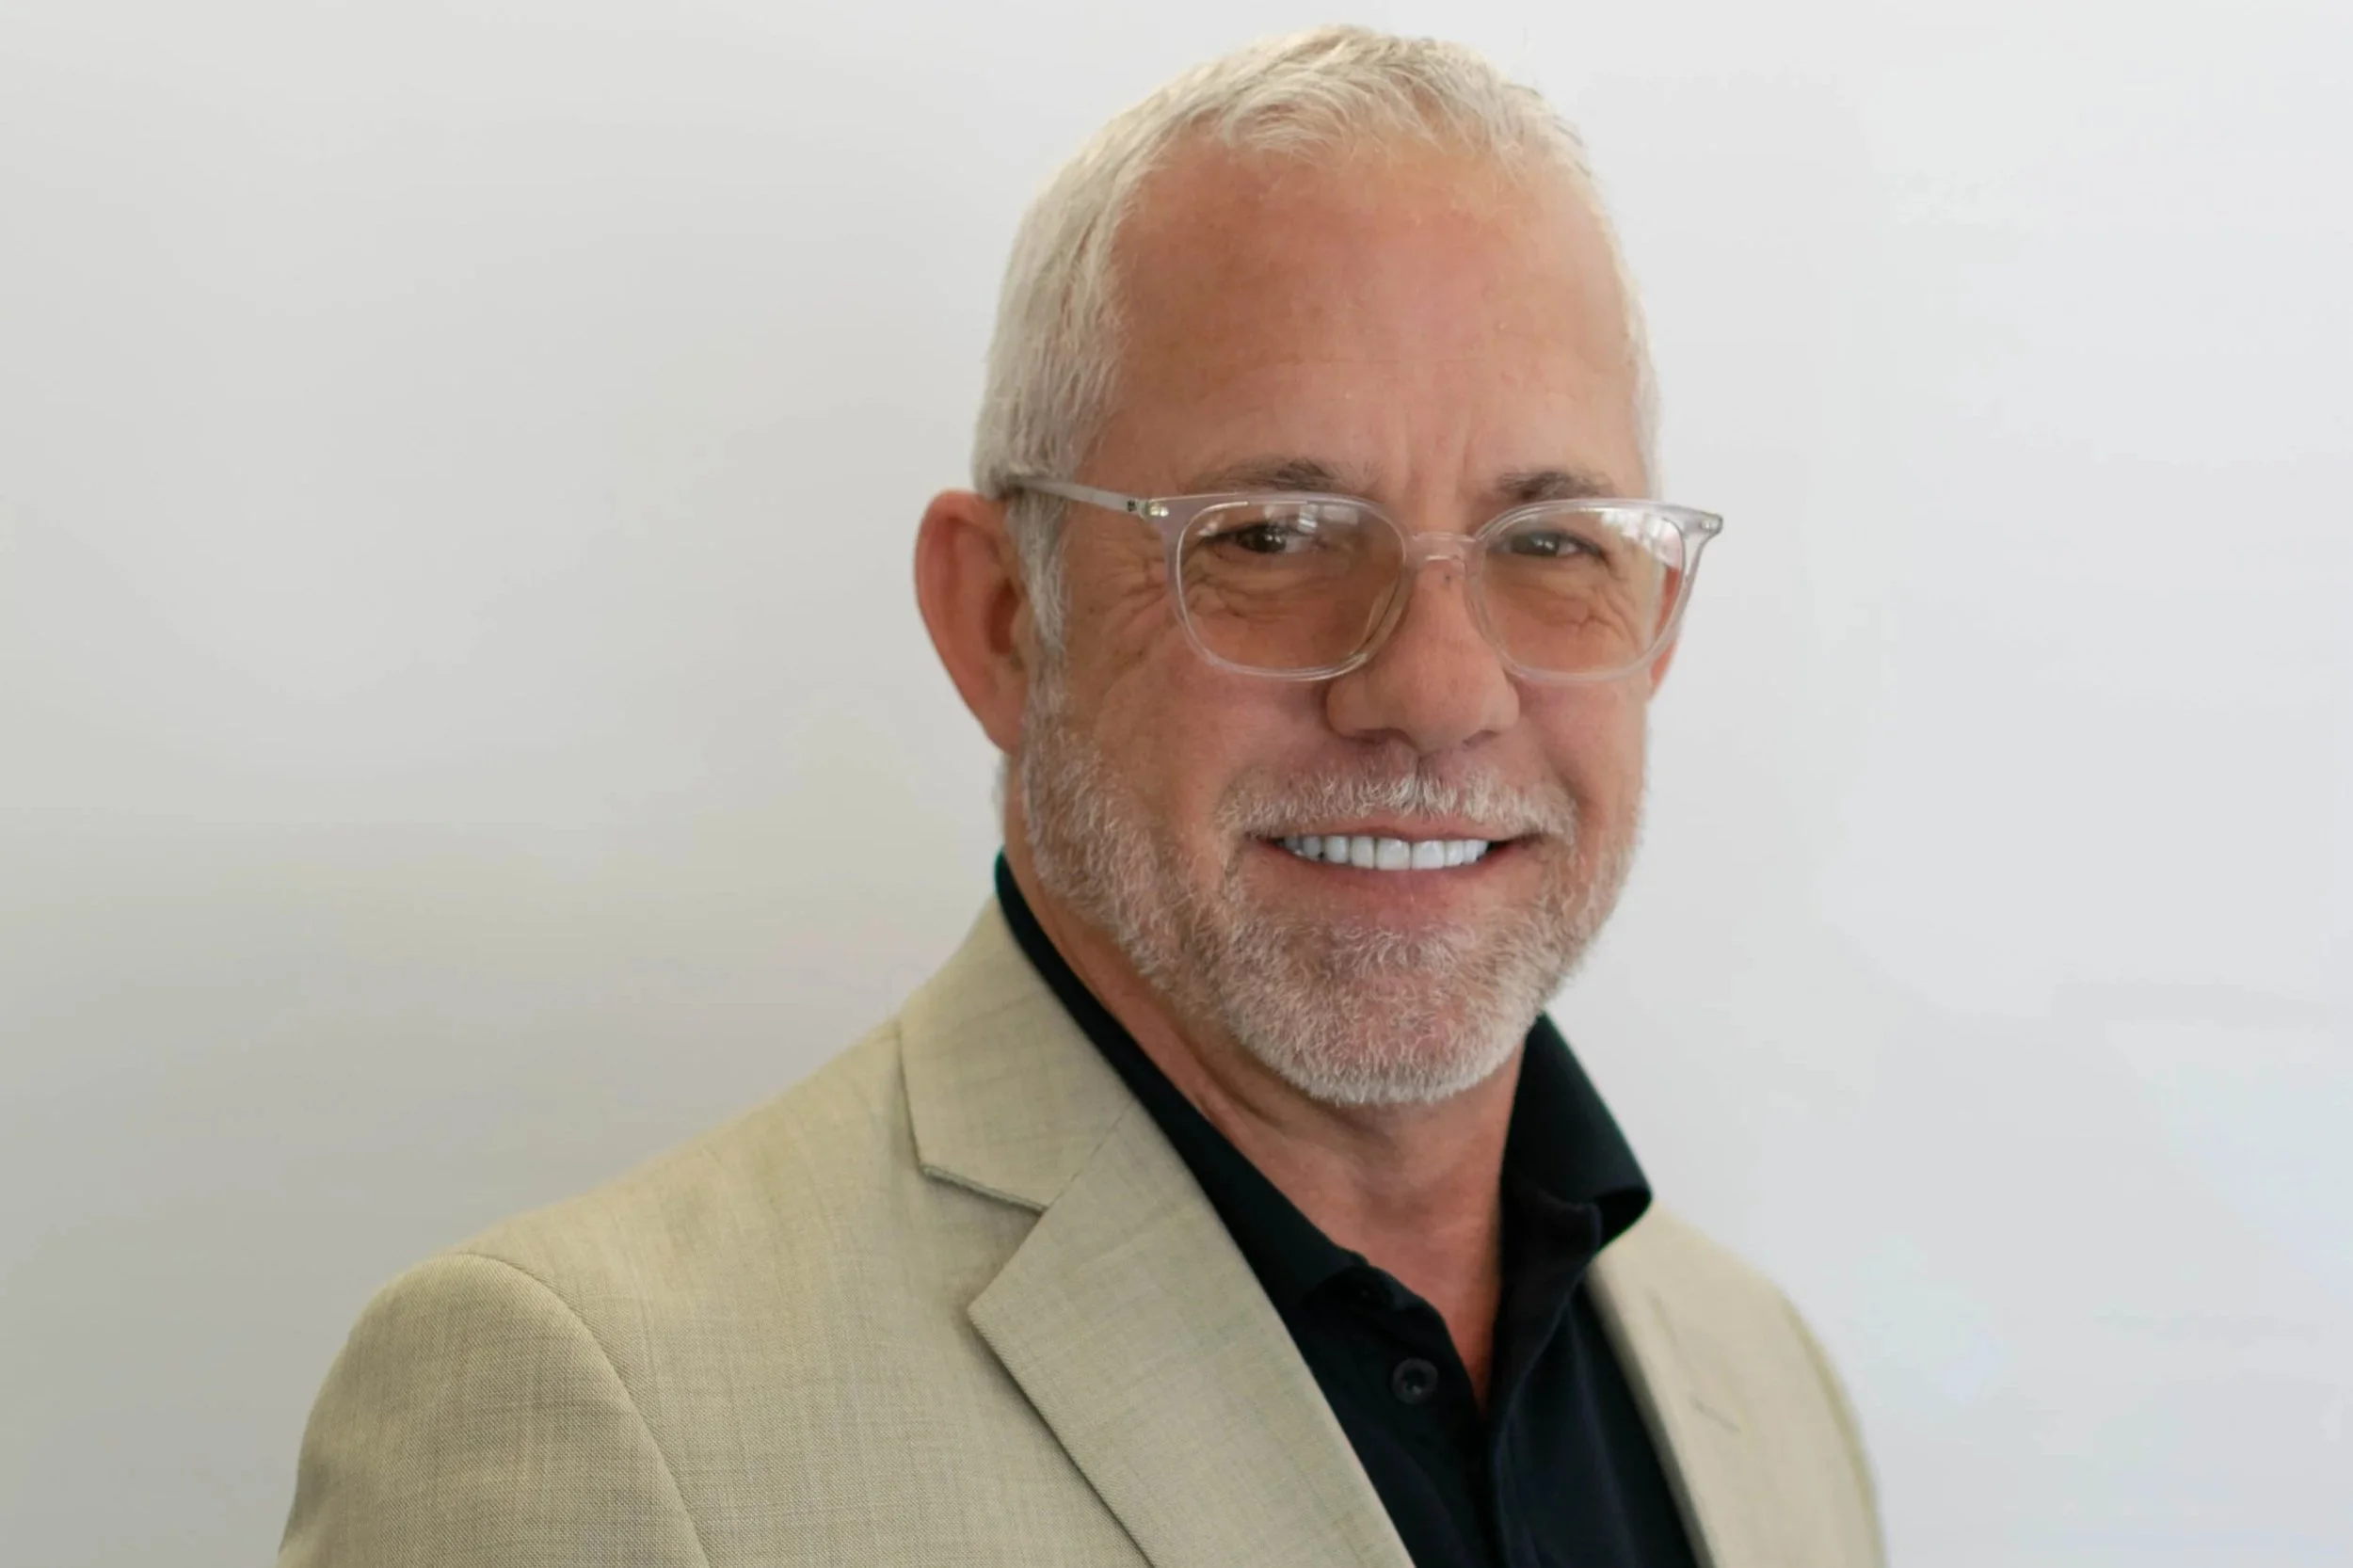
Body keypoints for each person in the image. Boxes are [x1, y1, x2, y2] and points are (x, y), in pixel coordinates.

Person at [279, 25, 1883, 1568]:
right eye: (1271, 535)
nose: (1438, 690)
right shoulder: (589, 1415)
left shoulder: (1763, 1387)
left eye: (1550, 544)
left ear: (1657, 619)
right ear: (1002, 620)